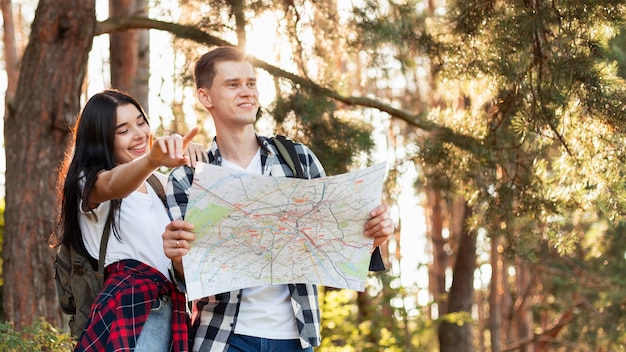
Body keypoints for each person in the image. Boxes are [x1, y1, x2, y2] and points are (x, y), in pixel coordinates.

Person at [162, 46, 394, 352]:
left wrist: (373, 237)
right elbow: (185, 277)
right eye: (232, 85)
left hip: (296, 340)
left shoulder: (298, 160)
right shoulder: (188, 178)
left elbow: (334, 257)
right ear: (205, 97)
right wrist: (178, 258)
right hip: (223, 340)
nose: (246, 93)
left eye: (251, 83)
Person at [56, 89, 204, 351]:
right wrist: (153, 159)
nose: (139, 134)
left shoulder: (161, 185)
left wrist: (199, 162)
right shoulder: (87, 183)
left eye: (141, 122)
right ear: (101, 140)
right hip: (129, 310)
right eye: (123, 130)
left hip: (174, 312)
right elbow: (114, 183)